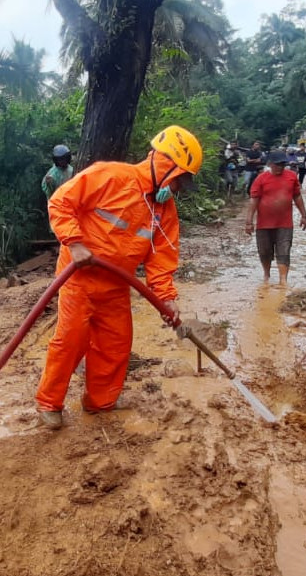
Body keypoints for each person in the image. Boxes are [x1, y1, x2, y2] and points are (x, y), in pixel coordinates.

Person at [36, 125, 203, 430]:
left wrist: (167, 298)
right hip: (78, 280)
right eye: (178, 181)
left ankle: (100, 402)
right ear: (165, 165)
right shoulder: (110, 176)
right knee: (71, 341)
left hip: (115, 286)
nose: (177, 189)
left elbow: (162, 258)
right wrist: (74, 243)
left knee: (115, 345)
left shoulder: (163, 211)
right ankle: (50, 402)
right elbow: (61, 202)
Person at [245, 150, 306, 286]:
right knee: (265, 251)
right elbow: (254, 200)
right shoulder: (261, 179)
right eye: (278, 164)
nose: (280, 167)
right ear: (270, 164)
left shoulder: (291, 176)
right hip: (264, 223)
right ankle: (266, 275)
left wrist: (304, 215)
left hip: (285, 223)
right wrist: (249, 222)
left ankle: (283, 280)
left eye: (283, 164)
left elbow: (297, 196)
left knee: (284, 250)